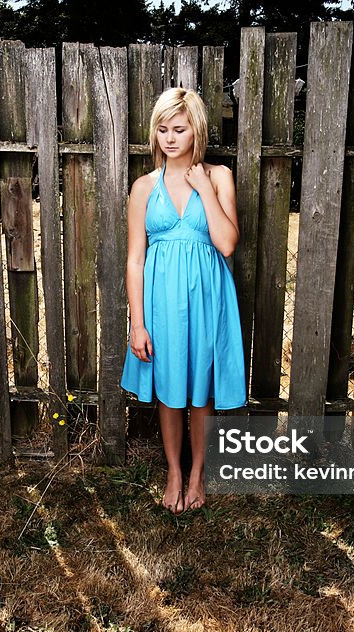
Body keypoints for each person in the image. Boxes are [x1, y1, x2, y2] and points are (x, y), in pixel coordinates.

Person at [120, 87, 247, 514]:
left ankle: (198, 475)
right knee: (170, 389)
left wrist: (204, 190)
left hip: (207, 298)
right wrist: (137, 323)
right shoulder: (143, 187)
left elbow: (227, 244)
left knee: (200, 391)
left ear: (197, 130)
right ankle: (174, 471)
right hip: (160, 302)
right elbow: (135, 259)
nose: (170, 138)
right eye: (162, 129)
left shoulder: (218, 176)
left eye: (179, 128)